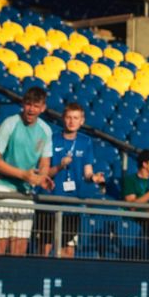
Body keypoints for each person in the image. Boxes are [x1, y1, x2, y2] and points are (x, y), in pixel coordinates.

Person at [0, 86, 53, 255]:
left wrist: (42, 177)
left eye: (36, 106)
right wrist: (23, 175)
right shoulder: (10, 123)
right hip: (2, 186)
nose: (31, 109)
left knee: (20, 244)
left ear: (43, 108)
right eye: (29, 104)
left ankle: (14, 280)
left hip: (26, 191)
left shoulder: (46, 130)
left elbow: (45, 161)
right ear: (23, 104)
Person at [43, 101, 105, 258]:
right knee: (45, 247)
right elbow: (44, 173)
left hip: (72, 202)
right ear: (63, 118)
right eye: (69, 117)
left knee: (68, 249)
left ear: (82, 121)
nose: (72, 121)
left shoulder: (86, 142)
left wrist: (94, 178)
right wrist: (60, 166)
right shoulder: (52, 139)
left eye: (76, 118)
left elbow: (87, 173)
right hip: (51, 200)